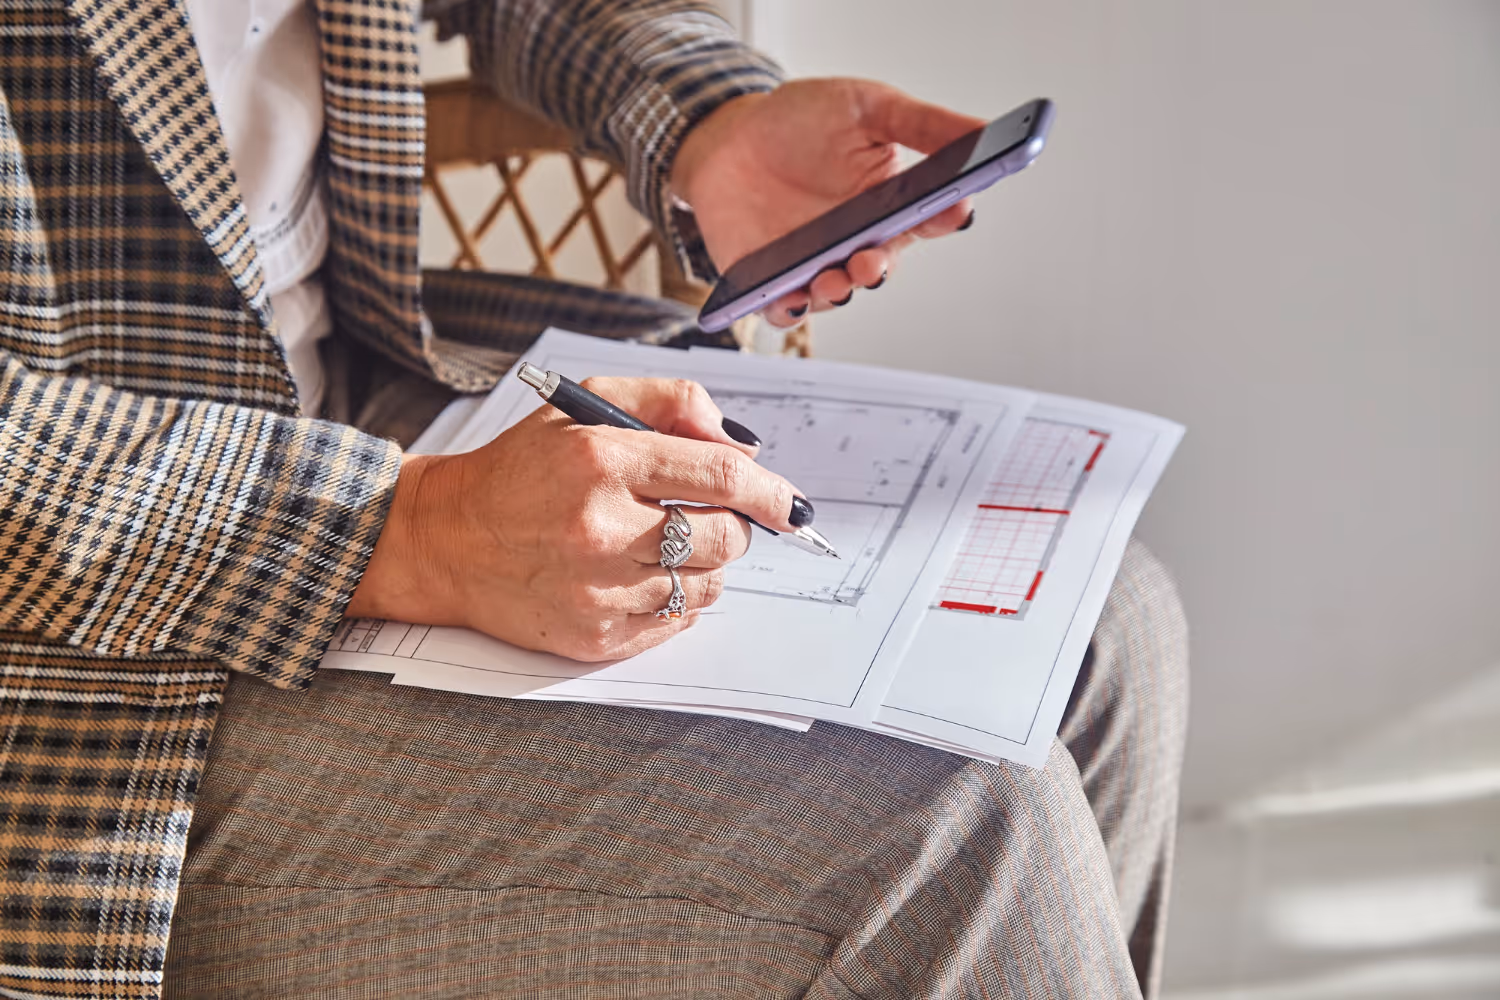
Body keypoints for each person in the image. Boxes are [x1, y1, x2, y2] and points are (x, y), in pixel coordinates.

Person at [0, 0, 1188, 996]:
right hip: (67, 668)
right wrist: (400, 529)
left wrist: (703, 118)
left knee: (1103, 623)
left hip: (341, 386)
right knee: (958, 836)